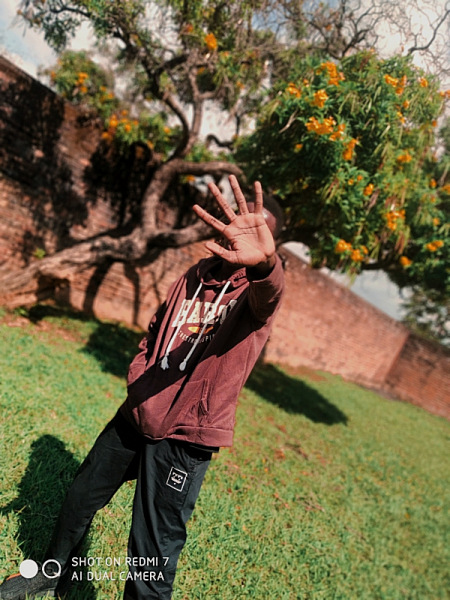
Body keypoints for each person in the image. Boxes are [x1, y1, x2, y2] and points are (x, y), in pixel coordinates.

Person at [0, 175, 285, 600]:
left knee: (151, 549)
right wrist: (139, 375)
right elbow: (156, 327)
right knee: (81, 495)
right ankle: (51, 573)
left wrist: (264, 265)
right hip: (139, 411)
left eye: (258, 230)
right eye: (238, 221)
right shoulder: (195, 274)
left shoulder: (257, 294)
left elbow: (270, 294)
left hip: (184, 435)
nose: (242, 231)